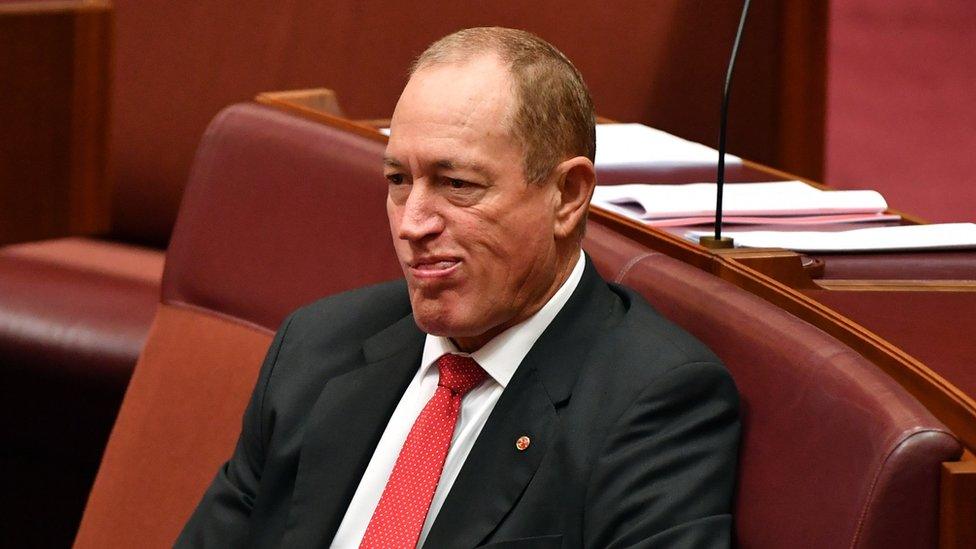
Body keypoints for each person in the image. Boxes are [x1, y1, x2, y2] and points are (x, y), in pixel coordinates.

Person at [177, 27, 739, 548]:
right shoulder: (316, 348)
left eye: (457, 184)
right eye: (398, 180)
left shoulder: (653, 403)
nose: (412, 223)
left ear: (567, 195)